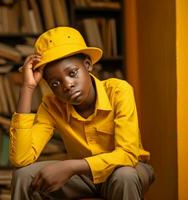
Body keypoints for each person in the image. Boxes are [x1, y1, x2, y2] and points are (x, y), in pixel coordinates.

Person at [9, 26, 154, 200]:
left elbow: (127, 155)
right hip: (84, 177)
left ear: (87, 65)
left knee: (125, 176)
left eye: (72, 73)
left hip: (127, 168)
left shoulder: (118, 91)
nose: (67, 85)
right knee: (23, 176)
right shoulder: (51, 105)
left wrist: (70, 167)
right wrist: (28, 88)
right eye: (55, 84)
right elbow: (21, 159)